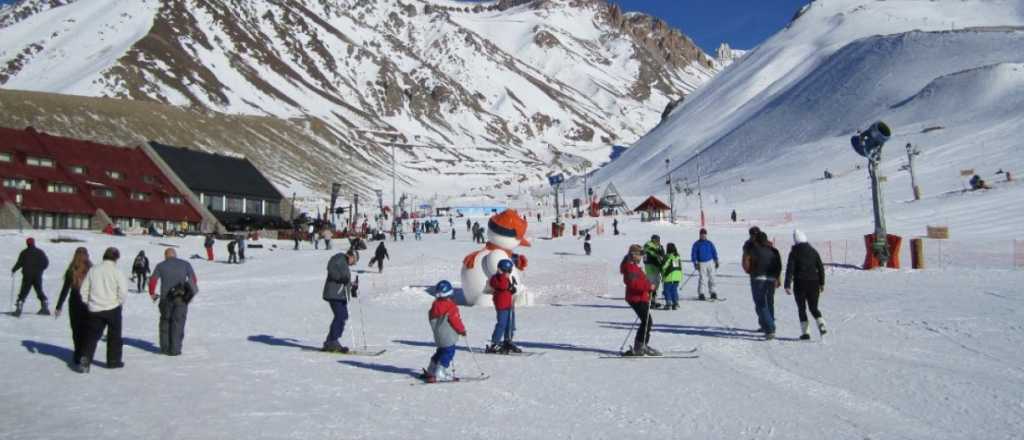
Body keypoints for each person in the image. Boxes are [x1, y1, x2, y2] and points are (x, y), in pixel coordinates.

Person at [78, 247, 128, 373]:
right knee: (114, 336)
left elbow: (84, 289)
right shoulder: (117, 271)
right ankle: (113, 361)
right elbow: (123, 291)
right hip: (113, 307)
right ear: (116, 258)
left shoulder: (93, 270)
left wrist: (88, 302)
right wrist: (119, 302)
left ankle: (85, 358)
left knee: (92, 336)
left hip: (95, 308)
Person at [149, 248, 199, 356]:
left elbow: (153, 280)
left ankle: (164, 348)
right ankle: (175, 349)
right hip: (181, 299)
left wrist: (152, 293)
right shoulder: (185, 264)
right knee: (178, 323)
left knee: (165, 322)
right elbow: (193, 279)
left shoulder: (160, 265)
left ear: (165, 256)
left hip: (165, 299)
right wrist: (189, 293)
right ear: (175, 255)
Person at [785, 230, 827, 340]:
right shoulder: (813, 251)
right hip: (814, 283)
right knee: (813, 307)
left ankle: (806, 333)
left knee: (802, 308)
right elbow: (821, 267)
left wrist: (787, 284)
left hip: (800, 283)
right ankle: (821, 324)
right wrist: (822, 283)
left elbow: (790, 269)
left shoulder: (794, 253)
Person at [54, 247, 91, 368]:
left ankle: (78, 354)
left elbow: (65, 290)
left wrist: (59, 306)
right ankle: (85, 354)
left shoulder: (71, 270)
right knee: (87, 330)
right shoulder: (91, 269)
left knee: (76, 329)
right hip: (88, 303)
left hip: (75, 302)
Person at [423, 280, 466, 382]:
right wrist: (462, 330)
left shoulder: (435, 305)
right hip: (448, 336)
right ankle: (440, 371)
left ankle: (431, 369)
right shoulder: (451, 307)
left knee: (440, 351)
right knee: (448, 352)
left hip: (438, 335)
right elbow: (455, 320)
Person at [744, 232, 782, 340]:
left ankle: (770, 328)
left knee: (761, 303)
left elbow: (747, 263)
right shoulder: (774, 250)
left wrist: (750, 271)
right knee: (769, 301)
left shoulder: (753, 249)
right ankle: (768, 325)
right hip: (771, 279)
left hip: (758, 278)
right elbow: (779, 265)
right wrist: (777, 277)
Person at [621, 244, 658, 356]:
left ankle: (642, 345)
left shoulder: (633, 266)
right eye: (639, 255)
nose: (641, 258)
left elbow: (641, 280)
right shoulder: (630, 267)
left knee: (647, 321)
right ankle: (639, 346)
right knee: (647, 321)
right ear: (633, 255)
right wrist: (648, 287)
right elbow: (633, 284)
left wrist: (649, 286)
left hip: (641, 297)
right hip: (635, 298)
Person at [322, 249, 358, 352]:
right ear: (351, 256)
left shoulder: (344, 263)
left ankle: (330, 341)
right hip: (334, 294)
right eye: (354, 261)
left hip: (340, 295)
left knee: (343, 316)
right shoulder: (339, 258)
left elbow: (344, 280)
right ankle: (332, 341)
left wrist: (352, 285)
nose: (353, 264)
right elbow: (331, 269)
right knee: (340, 316)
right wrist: (341, 278)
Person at [486, 259, 520, 354]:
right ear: (503, 270)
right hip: (502, 306)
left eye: (510, 271)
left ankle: (507, 340)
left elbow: (506, 287)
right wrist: (509, 285)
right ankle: (494, 343)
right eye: (508, 271)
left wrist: (511, 288)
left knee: (510, 325)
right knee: (501, 324)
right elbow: (502, 285)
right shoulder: (497, 278)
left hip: (508, 304)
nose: (509, 273)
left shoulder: (504, 278)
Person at [11, 237, 50, 317]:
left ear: (27, 244)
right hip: (37, 276)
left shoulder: (24, 252)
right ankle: (45, 306)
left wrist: (14, 269)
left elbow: (19, 263)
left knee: (24, 291)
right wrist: (40, 269)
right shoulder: (40, 252)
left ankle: (19, 308)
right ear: (34, 243)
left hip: (27, 275)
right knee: (39, 290)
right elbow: (46, 262)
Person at [691, 229, 720, 301]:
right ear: (700, 235)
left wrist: (716, 260)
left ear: (706, 235)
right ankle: (701, 293)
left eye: (704, 234)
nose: (703, 236)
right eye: (702, 234)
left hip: (710, 262)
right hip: (701, 263)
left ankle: (713, 292)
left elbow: (714, 252)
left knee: (712, 278)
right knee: (702, 279)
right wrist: (695, 263)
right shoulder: (697, 244)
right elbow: (693, 254)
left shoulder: (709, 243)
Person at [643, 234, 666, 308]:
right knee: (652, 283)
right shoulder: (648, 245)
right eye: (656, 240)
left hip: (656, 267)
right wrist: (658, 254)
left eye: (658, 240)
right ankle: (649, 301)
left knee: (656, 282)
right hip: (650, 267)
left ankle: (653, 300)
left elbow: (661, 255)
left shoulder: (658, 246)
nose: (658, 241)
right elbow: (651, 253)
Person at [661, 243, 683, 310]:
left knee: (667, 290)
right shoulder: (677, 256)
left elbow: (664, 266)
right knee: (674, 289)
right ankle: (675, 303)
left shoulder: (668, 256)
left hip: (670, 275)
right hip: (677, 275)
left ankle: (668, 303)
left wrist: (662, 271)